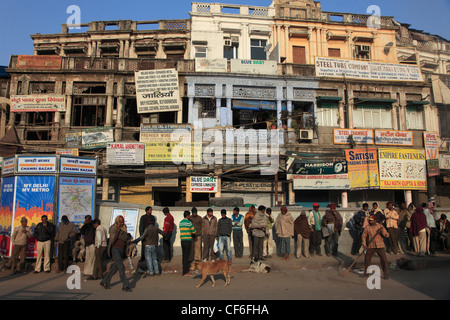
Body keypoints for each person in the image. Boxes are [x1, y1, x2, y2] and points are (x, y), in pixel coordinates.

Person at [100, 215, 132, 292]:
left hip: (121, 249)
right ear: (117, 221)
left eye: (123, 221)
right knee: (121, 267)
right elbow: (112, 240)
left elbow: (125, 239)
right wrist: (118, 230)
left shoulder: (124, 227)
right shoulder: (113, 228)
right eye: (120, 221)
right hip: (115, 249)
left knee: (114, 268)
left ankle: (104, 281)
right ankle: (125, 285)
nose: (122, 223)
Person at [362, 213, 390, 280]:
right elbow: (363, 236)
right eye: (369, 220)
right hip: (371, 246)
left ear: (375, 220)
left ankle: (386, 274)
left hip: (380, 245)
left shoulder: (380, 226)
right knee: (367, 258)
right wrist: (365, 245)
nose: (370, 221)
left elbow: (387, 234)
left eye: (372, 220)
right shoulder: (367, 227)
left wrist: (381, 232)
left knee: (384, 259)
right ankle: (366, 272)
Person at [179, 211, 196, 276]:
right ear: (188, 216)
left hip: (182, 240)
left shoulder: (181, 222)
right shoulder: (189, 222)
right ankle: (185, 272)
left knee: (184, 256)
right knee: (187, 256)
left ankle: (184, 270)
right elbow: (194, 231)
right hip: (188, 240)